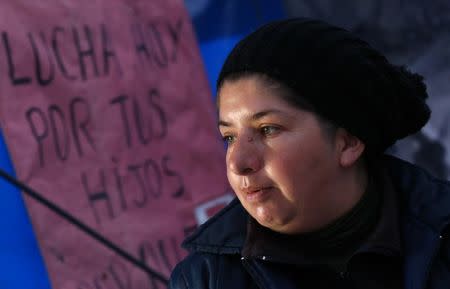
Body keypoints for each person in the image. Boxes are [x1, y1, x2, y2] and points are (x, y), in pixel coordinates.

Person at [169, 18, 450, 289]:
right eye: (229, 137)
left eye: (268, 129)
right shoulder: (204, 280)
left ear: (349, 141)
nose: (237, 162)